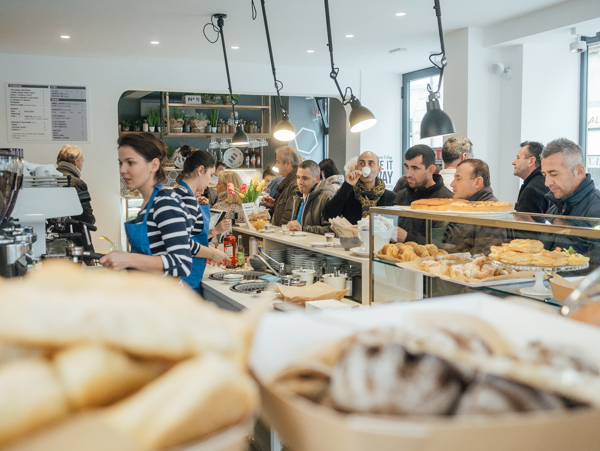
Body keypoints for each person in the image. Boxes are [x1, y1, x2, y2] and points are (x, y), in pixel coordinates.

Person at [99, 133, 197, 278]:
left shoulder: (165, 203)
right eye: (121, 163)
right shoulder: (149, 203)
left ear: (154, 165)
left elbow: (182, 264)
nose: (122, 170)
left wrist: (128, 259)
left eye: (130, 163)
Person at [172, 150, 231, 292]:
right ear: (200, 170)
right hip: (185, 277)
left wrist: (214, 232)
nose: (211, 181)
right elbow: (182, 243)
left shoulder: (176, 194)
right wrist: (213, 254)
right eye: (210, 174)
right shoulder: (187, 199)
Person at [541, 138, 600, 261]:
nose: (547, 183)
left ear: (579, 171)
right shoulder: (555, 207)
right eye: (545, 175)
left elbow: (595, 266)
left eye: (554, 174)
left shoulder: (596, 208)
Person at [444, 159, 507, 254]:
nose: (452, 184)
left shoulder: (491, 213)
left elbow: (485, 257)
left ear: (478, 183)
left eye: (458, 179)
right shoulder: (467, 206)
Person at [393, 145, 453, 243]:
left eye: (415, 168)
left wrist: (408, 238)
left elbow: (444, 244)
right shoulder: (401, 195)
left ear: (431, 170)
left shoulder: (446, 199)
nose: (408, 174)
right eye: (406, 167)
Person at [323, 151, 396, 225]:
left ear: (378, 170)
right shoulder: (348, 193)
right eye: (362, 164)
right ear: (356, 168)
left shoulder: (390, 197)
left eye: (371, 164)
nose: (366, 167)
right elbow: (328, 215)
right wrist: (347, 185)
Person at [283, 160, 336, 234]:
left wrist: (303, 229)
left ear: (317, 179)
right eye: (298, 177)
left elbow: (332, 230)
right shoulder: (298, 194)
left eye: (305, 178)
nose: (300, 182)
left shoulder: (327, 197)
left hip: (313, 241)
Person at [55, 144, 95, 226]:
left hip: (52, 230)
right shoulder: (77, 183)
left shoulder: (49, 179)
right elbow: (86, 217)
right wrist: (92, 220)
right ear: (76, 162)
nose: (82, 165)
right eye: (82, 162)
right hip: (74, 230)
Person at [261, 146, 300, 226]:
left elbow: (290, 213)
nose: (276, 165)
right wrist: (274, 203)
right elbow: (286, 206)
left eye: (278, 162)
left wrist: (281, 230)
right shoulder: (287, 181)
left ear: (288, 164)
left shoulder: (294, 184)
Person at [512, 141, 550, 214]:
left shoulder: (531, 191)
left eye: (518, 158)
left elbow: (524, 221)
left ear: (531, 161)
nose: (513, 162)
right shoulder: (545, 181)